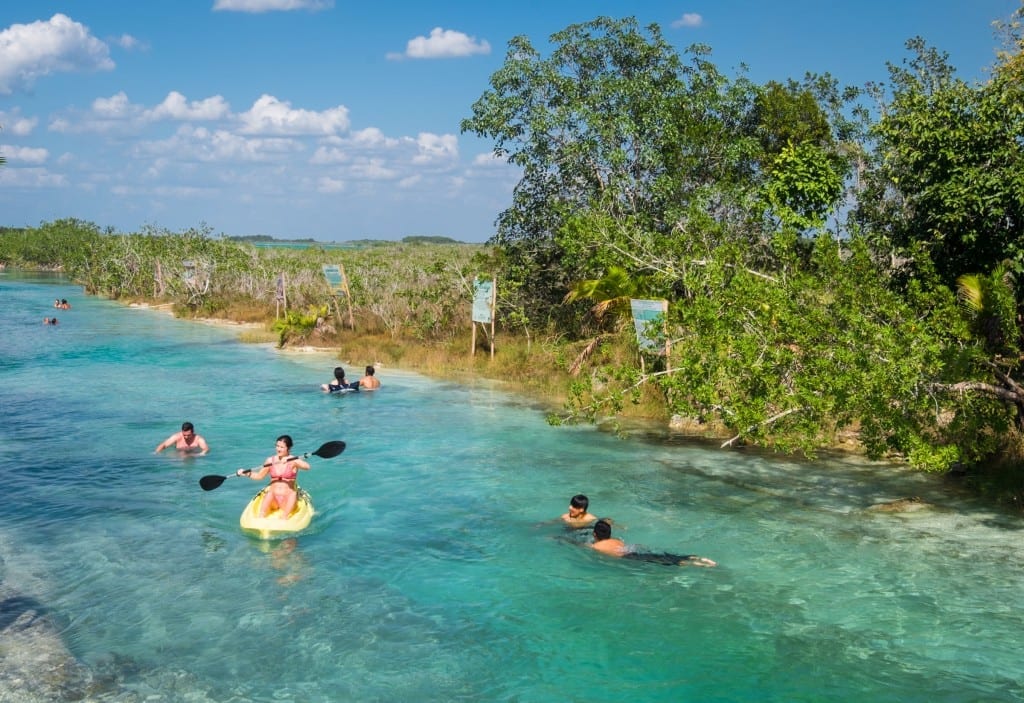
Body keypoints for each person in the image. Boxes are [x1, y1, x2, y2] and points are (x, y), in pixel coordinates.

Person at [237, 435, 311, 521]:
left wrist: (292, 460)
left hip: (287, 498)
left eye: (282, 447)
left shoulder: (293, 461)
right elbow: (259, 476)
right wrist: (246, 473)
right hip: (273, 498)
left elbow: (307, 467)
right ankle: (262, 520)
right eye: (277, 446)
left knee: (291, 498)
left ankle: (285, 517)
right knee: (264, 506)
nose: (278, 449)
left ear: (288, 448)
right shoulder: (270, 461)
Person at [589, 519, 716, 567]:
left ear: (595, 535)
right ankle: (692, 557)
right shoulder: (616, 540)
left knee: (662, 561)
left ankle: (693, 564)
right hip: (633, 549)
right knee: (665, 555)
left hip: (630, 556)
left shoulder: (595, 546)